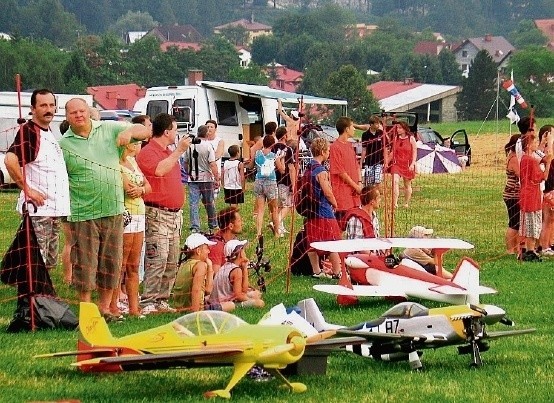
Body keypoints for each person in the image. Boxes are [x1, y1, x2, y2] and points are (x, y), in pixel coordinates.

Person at [59, 97, 150, 320]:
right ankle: (87, 310)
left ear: (89, 112)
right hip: (82, 211)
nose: (79, 115)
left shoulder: (108, 128)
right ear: (67, 117)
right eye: (73, 113)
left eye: (82, 111)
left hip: (113, 208)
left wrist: (130, 133)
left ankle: (105, 308)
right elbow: (60, 178)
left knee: (111, 261)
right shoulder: (63, 144)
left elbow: (144, 130)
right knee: (86, 263)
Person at [4, 89, 70, 275]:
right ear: (33, 108)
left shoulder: (48, 132)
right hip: (39, 210)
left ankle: (42, 298)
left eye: (51, 105)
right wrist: (28, 189)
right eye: (43, 105)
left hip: (54, 210)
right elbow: (10, 160)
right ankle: (29, 300)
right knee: (35, 260)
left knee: (48, 261)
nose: (48, 109)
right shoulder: (30, 132)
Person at [136, 113, 191, 314]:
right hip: (157, 214)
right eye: (175, 129)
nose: (177, 134)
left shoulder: (167, 152)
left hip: (174, 215)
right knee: (157, 258)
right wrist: (178, 151)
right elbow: (159, 171)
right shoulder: (148, 151)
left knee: (171, 259)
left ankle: (162, 299)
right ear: (167, 131)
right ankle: (148, 300)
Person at [108, 140, 151, 317]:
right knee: (121, 263)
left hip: (140, 214)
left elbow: (148, 186)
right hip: (125, 215)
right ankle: (114, 305)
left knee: (134, 263)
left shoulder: (134, 162)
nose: (138, 145)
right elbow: (128, 189)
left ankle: (134, 307)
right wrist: (141, 189)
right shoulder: (115, 164)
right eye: (136, 142)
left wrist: (142, 190)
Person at [305, 138, 342, 279]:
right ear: (322, 152)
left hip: (310, 210)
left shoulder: (308, 168)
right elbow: (327, 192)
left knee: (312, 241)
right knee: (332, 241)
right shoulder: (321, 170)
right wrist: (335, 204)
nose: (329, 153)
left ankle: (316, 271)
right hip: (323, 210)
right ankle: (337, 271)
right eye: (328, 151)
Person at [172, 233, 235, 312]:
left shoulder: (183, 264)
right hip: (195, 309)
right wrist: (196, 314)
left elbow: (208, 290)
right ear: (198, 251)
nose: (209, 251)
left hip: (181, 308)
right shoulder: (200, 265)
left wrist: (210, 266)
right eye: (206, 248)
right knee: (230, 305)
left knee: (210, 299)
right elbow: (197, 290)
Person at [519, 132, 552, 261]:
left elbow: (536, 156)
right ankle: (530, 251)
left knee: (528, 222)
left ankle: (528, 249)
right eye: (533, 143)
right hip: (532, 195)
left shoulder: (524, 158)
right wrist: (548, 163)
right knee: (533, 223)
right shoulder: (531, 161)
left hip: (525, 194)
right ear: (528, 145)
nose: (535, 145)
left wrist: (543, 143)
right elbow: (543, 177)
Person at [183, 124, 219, 233]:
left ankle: (195, 226)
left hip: (193, 178)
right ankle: (213, 224)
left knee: (193, 203)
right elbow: (212, 164)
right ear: (206, 133)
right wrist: (217, 178)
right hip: (206, 179)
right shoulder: (208, 146)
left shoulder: (190, 146)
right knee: (209, 202)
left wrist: (188, 172)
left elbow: (185, 162)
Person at [209, 239, 265, 309]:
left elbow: (244, 290)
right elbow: (238, 295)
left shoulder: (226, 266)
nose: (245, 252)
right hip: (225, 303)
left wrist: (244, 269)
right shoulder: (236, 270)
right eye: (243, 250)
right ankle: (239, 306)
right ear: (240, 253)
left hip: (218, 299)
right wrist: (251, 300)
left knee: (256, 294)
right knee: (260, 303)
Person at [329, 116, 362, 226]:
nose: (354, 129)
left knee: (354, 222)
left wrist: (360, 183)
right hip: (343, 193)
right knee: (342, 224)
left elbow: (356, 166)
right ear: (346, 129)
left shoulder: (350, 146)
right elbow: (340, 172)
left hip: (354, 193)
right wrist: (355, 186)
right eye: (352, 126)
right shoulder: (335, 147)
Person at [272, 126, 297, 236]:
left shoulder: (272, 148)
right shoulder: (288, 149)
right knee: (288, 205)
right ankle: (276, 222)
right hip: (285, 180)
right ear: (284, 136)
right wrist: (294, 184)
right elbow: (291, 168)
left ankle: (280, 227)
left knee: (280, 205)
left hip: (274, 180)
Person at [253, 135, 279, 237]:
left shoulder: (257, 154)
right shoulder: (273, 156)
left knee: (260, 210)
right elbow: (281, 168)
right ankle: (277, 232)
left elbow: (251, 165)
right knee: (274, 209)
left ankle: (259, 232)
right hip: (271, 182)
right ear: (272, 144)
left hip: (259, 181)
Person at [389, 121, 418, 208]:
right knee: (395, 182)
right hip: (397, 164)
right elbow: (392, 152)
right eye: (397, 128)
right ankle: (395, 203)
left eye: (400, 128)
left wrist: (412, 163)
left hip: (407, 164)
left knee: (407, 184)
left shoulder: (411, 138)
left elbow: (414, 152)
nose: (398, 130)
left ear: (405, 129)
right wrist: (386, 162)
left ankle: (406, 203)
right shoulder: (395, 139)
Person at [354, 115, 388, 187]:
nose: (378, 125)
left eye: (379, 123)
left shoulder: (381, 133)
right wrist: (361, 163)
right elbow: (364, 149)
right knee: (369, 183)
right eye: (376, 123)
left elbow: (385, 148)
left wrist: (386, 161)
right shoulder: (365, 135)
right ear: (371, 124)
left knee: (377, 181)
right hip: (369, 162)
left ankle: (377, 196)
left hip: (379, 161)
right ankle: (371, 196)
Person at [208, 207, 244, 273]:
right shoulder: (217, 246)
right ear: (231, 226)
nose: (242, 223)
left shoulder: (233, 241)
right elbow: (216, 276)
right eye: (239, 221)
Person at [503, 134, 520, 255]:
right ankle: (510, 249)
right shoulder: (514, 159)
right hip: (512, 195)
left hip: (514, 194)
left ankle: (515, 248)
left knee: (516, 222)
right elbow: (521, 175)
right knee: (514, 223)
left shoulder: (513, 157)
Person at [539, 125, 554, 255]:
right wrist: (548, 141)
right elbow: (549, 158)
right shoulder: (544, 151)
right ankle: (544, 246)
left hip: (550, 187)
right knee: (547, 219)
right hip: (547, 189)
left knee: (550, 219)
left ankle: (548, 244)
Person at [205, 119, 224, 198]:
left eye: (211, 127)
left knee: (213, 196)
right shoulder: (202, 140)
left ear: (215, 129)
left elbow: (218, 155)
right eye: (207, 127)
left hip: (215, 170)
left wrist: (207, 158)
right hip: (203, 171)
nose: (209, 128)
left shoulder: (220, 141)